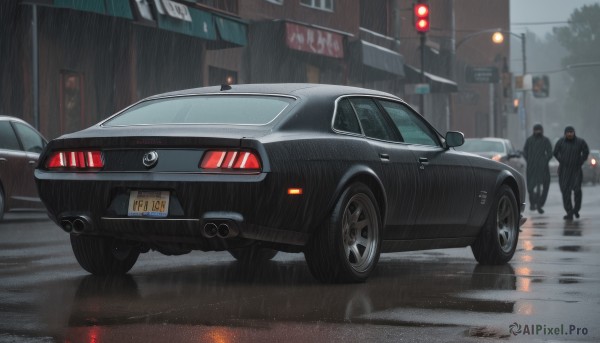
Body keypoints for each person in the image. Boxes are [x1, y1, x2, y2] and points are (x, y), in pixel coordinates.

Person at [553, 126, 589, 220]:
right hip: (564, 171)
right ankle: (569, 212)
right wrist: (562, 160)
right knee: (565, 192)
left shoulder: (580, 142)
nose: (569, 134)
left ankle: (576, 210)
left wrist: (581, 160)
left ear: (574, 133)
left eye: (571, 132)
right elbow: (555, 152)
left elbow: (586, 151)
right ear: (565, 133)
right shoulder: (561, 142)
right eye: (568, 132)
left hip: (576, 170)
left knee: (577, 190)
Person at [523, 124, 553, 214]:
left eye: (539, 130)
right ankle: (533, 203)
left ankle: (540, 204)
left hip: (543, 168)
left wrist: (544, 160)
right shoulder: (529, 140)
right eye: (536, 130)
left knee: (545, 186)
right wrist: (529, 159)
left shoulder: (545, 140)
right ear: (534, 131)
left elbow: (550, 152)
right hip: (531, 167)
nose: (538, 132)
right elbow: (525, 151)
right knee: (530, 187)